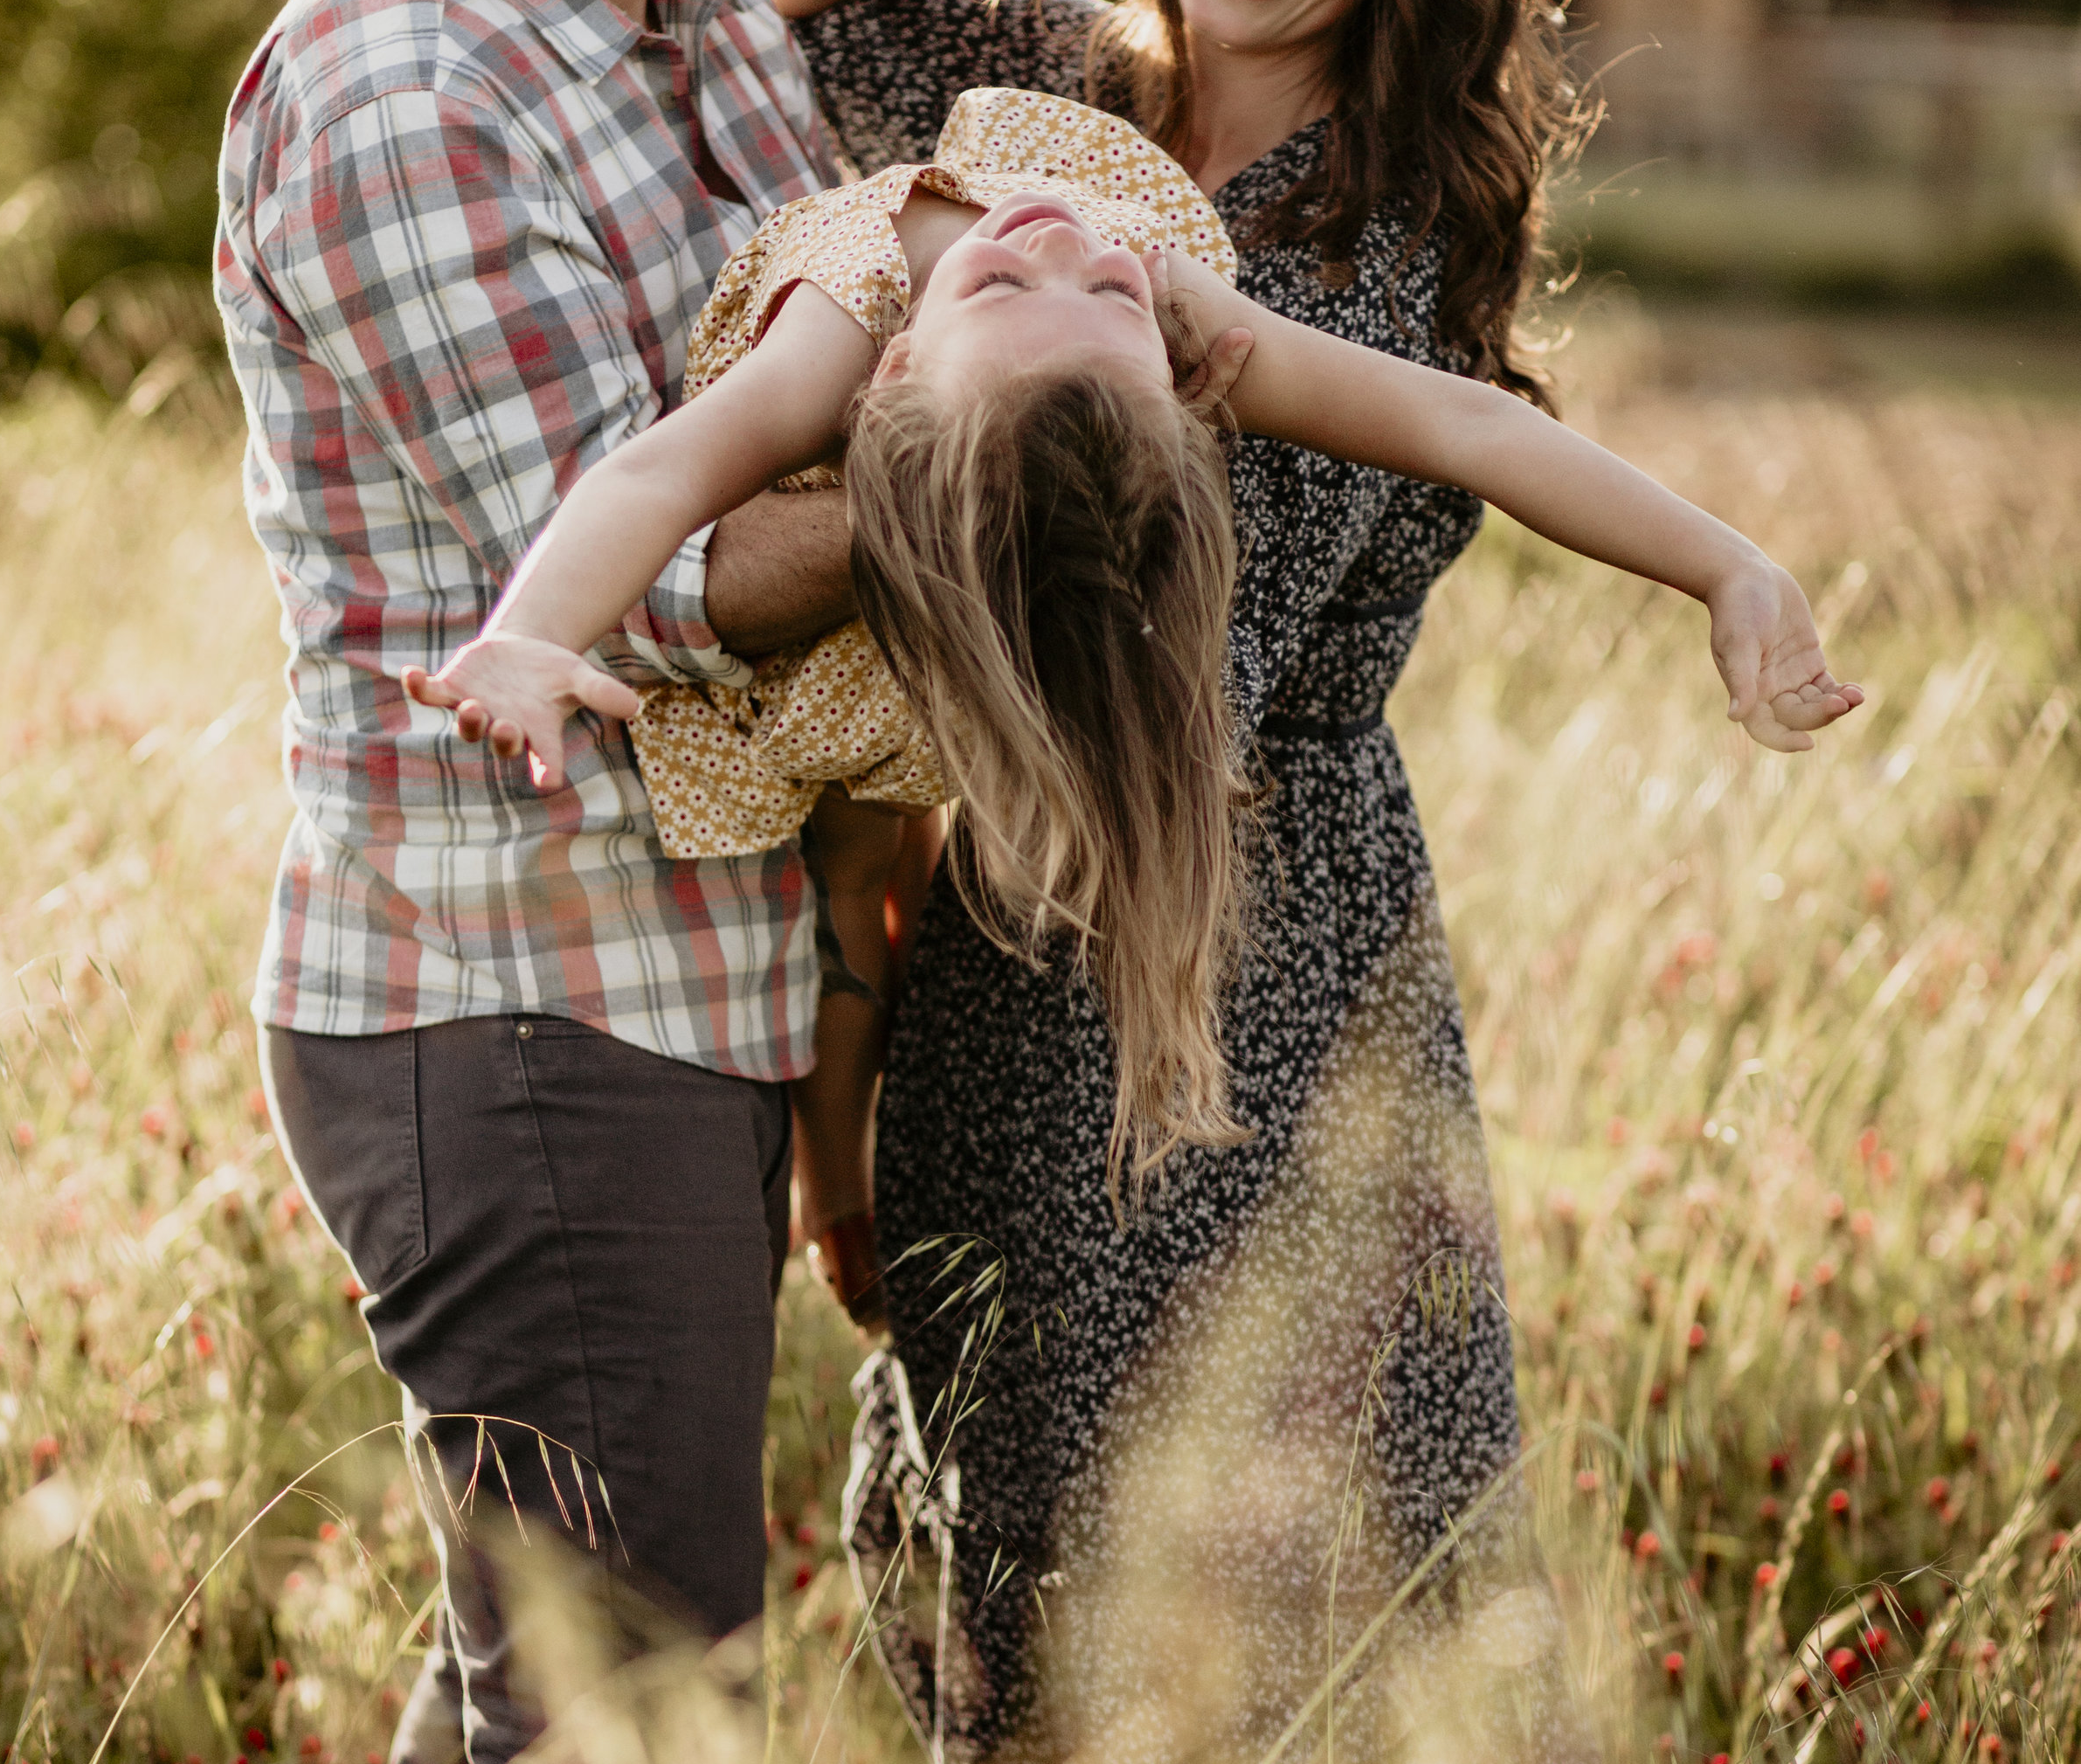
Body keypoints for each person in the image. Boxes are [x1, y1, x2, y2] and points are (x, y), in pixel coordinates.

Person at [702, 0, 1803, 1764]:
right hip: (994, 951)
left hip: (1248, 943)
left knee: (1323, 1558)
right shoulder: (1016, 73)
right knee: (1029, 1558)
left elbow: (1152, 670)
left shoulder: (1372, 235)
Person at [212, 0, 861, 1764]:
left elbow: (805, 323)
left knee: (532, 1725)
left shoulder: (683, 0)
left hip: (666, 987)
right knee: (629, 1760)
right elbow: (643, 593)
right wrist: (1040, 464)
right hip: (516, 1007)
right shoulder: (399, 86)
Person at [405, 80, 1854, 1226]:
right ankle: (836, 1174)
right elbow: (664, 479)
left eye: (1096, 297)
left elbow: (1469, 424)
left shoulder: (1002, 322)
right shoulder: (975, 311)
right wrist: (533, 631)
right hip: (915, 567)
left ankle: (833, 1172)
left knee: (866, 864)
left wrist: (1727, 564)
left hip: (972, 618)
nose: (1070, 250)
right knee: (851, 876)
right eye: (1069, 294)